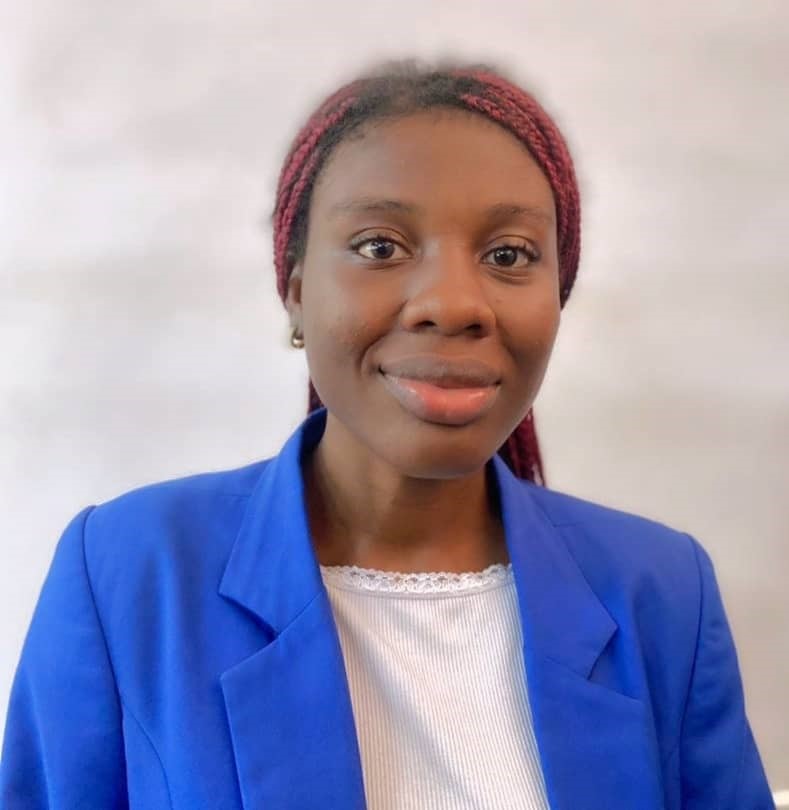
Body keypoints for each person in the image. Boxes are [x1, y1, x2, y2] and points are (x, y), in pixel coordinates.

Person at [0, 60, 774, 809]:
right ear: (295, 292)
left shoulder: (660, 591)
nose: (452, 303)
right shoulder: (130, 572)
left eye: (508, 255)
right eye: (379, 246)